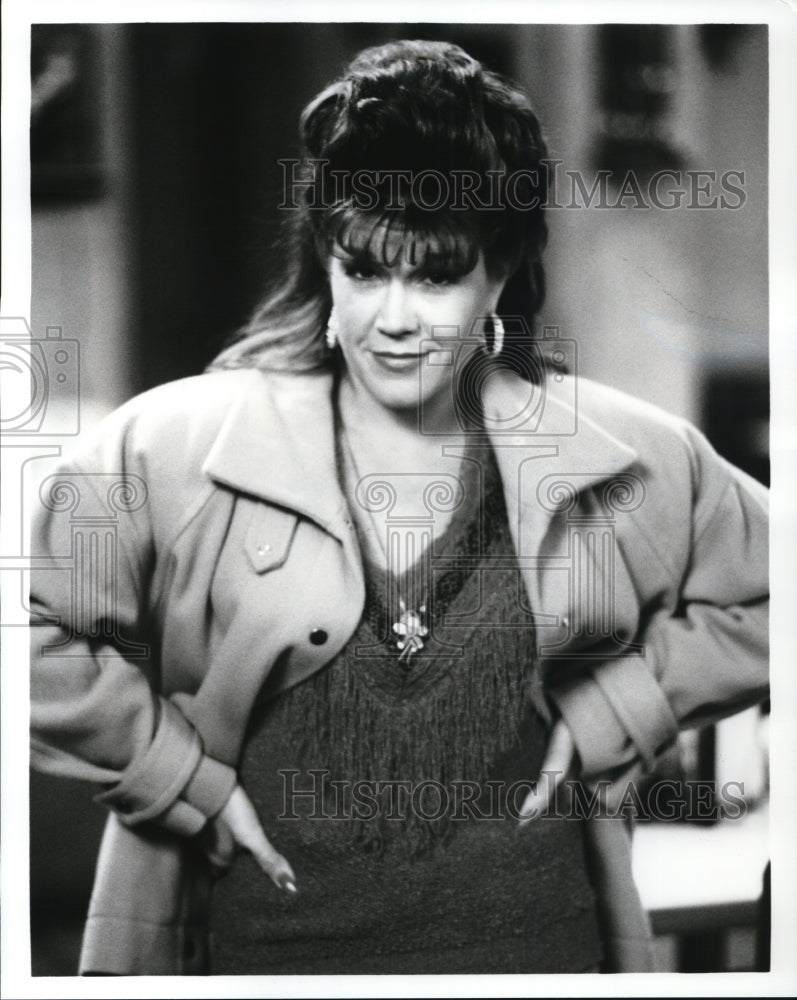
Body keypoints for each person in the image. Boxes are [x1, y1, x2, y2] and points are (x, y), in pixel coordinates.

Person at [29, 39, 769, 976]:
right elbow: (33, 634)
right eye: (364, 268)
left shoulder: (621, 456)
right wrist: (180, 779)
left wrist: (619, 707)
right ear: (324, 260)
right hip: (256, 963)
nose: (393, 316)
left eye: (433, 276)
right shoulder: (167, 448)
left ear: (498, 273)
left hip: (543, 959)